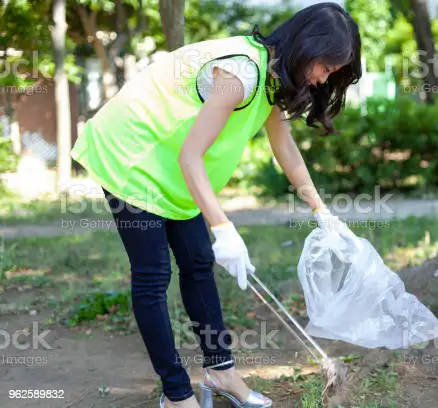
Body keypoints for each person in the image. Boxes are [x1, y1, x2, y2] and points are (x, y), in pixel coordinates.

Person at [70, 2, 361, 407]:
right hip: (133, 154)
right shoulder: (242, 74)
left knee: (198, 262)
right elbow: (191, 155)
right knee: (153, 275)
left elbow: (285, 148)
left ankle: (220, 372)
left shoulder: (273, 76)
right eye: (325, 67)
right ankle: (175, 394)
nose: (322, 78)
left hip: (170, 164)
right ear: (305, 46)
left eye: (332, 73)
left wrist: (321, 213)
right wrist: (224, 227)